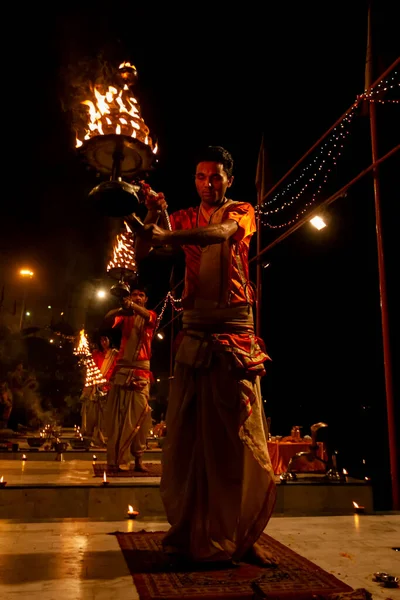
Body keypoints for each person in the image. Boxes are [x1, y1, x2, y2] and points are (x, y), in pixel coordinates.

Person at [135, 145, 277, 565]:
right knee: (188, 437)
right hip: (195, 330)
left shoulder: (241, 209)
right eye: (200, 176)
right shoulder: (182, 218)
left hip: (233, 330)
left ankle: (241, 533)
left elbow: (219, 235)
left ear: (228, 178)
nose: (208, 184)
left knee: (236, 438)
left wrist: (169, 235)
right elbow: (146, 249)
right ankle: (195, 530)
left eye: (215, 176)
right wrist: (149, 212)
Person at [104, 287, 157, 471]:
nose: (137, 297)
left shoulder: (149, 314)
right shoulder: (125, 316)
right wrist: (121, 308)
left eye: (141, 295)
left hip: (141, 371)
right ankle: (115, 461)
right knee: (119, 417)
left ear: (146, 299)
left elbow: (145, 314)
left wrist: (132, 305)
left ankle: (138, 461)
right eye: (134, 294)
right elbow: (108, 318)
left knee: (141, 416)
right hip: (123, 369)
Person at [81, 335, 118, 447]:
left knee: (107, 414)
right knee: (94, 412)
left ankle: (108, 438)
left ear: (110, 340)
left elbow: (116, 369)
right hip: (95, 387)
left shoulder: (114, 354)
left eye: (105, 339)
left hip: (109, 387)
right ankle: (95, 436)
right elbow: (91, 369)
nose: (103, 342)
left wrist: (108, 382)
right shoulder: (96, 354)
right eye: (101, 340)